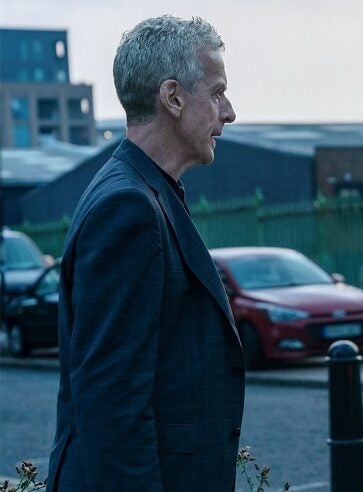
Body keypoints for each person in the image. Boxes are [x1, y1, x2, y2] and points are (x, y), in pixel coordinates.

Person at [45, 15, 244, 491]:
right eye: (216, 92)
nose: (230, 111)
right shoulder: (127, 208)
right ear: (172, 98)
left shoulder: (144, 192)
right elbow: (112, 407)